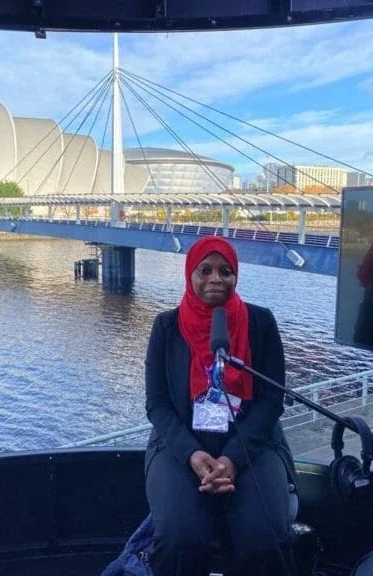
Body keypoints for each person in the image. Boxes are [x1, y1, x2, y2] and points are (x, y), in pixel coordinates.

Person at [143, 236, 297, 576]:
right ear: (190, 274)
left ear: (236, 275)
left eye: (225, 271)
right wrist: (193, 455)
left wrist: (231, 459)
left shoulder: (261, 322)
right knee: (180, 538)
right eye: (206, 270)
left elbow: (272, 400)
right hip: (179, 446)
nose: (216, 279)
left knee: (263, 538)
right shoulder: (166, 327)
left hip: (251, 446)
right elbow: (157, 405)